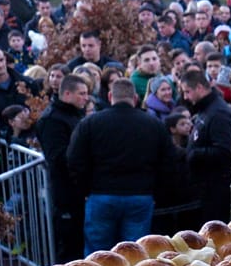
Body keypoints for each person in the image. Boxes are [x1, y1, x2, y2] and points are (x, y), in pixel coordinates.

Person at [67, 78, 172, 254]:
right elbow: (168, 161)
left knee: (97, 257)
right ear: (135, 98)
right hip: (140, 195)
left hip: (101, 194)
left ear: (110, 96)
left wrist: (85, 189)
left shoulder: (91, 123)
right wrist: (156, 192)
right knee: (135, 255)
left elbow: (74, 159)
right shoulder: (153, 124)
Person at [36, 73, 90, 259]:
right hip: (66, 191)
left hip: (79, 189)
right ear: (67, 94)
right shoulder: (53, 120)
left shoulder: (74, 114)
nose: (86, 98)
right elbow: (58, 158)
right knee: (69, 245)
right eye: (81, 93)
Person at [180, 67, 231, 224]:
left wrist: (195, 154)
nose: (185, 97)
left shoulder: (218, 114)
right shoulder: (206, 110)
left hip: (216, 188)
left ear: (199, 87)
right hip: (205, 186)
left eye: (187, 92)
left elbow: (225, 150)